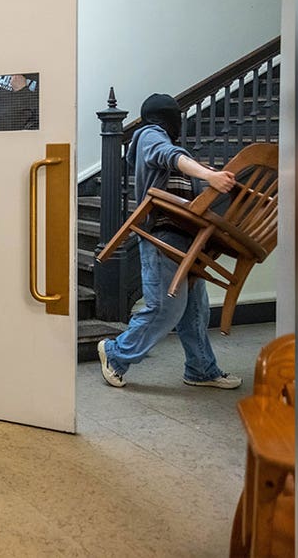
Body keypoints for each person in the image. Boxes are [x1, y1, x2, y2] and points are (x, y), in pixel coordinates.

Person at [97, 93, 242, 389]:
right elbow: (167, 155)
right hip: (162, 237)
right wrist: (209, 175)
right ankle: (115, 353)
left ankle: (201, 369)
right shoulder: (150, 135)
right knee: (166, 307)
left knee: (195, 309)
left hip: (187, 239)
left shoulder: (172, 145)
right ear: (164, 117)